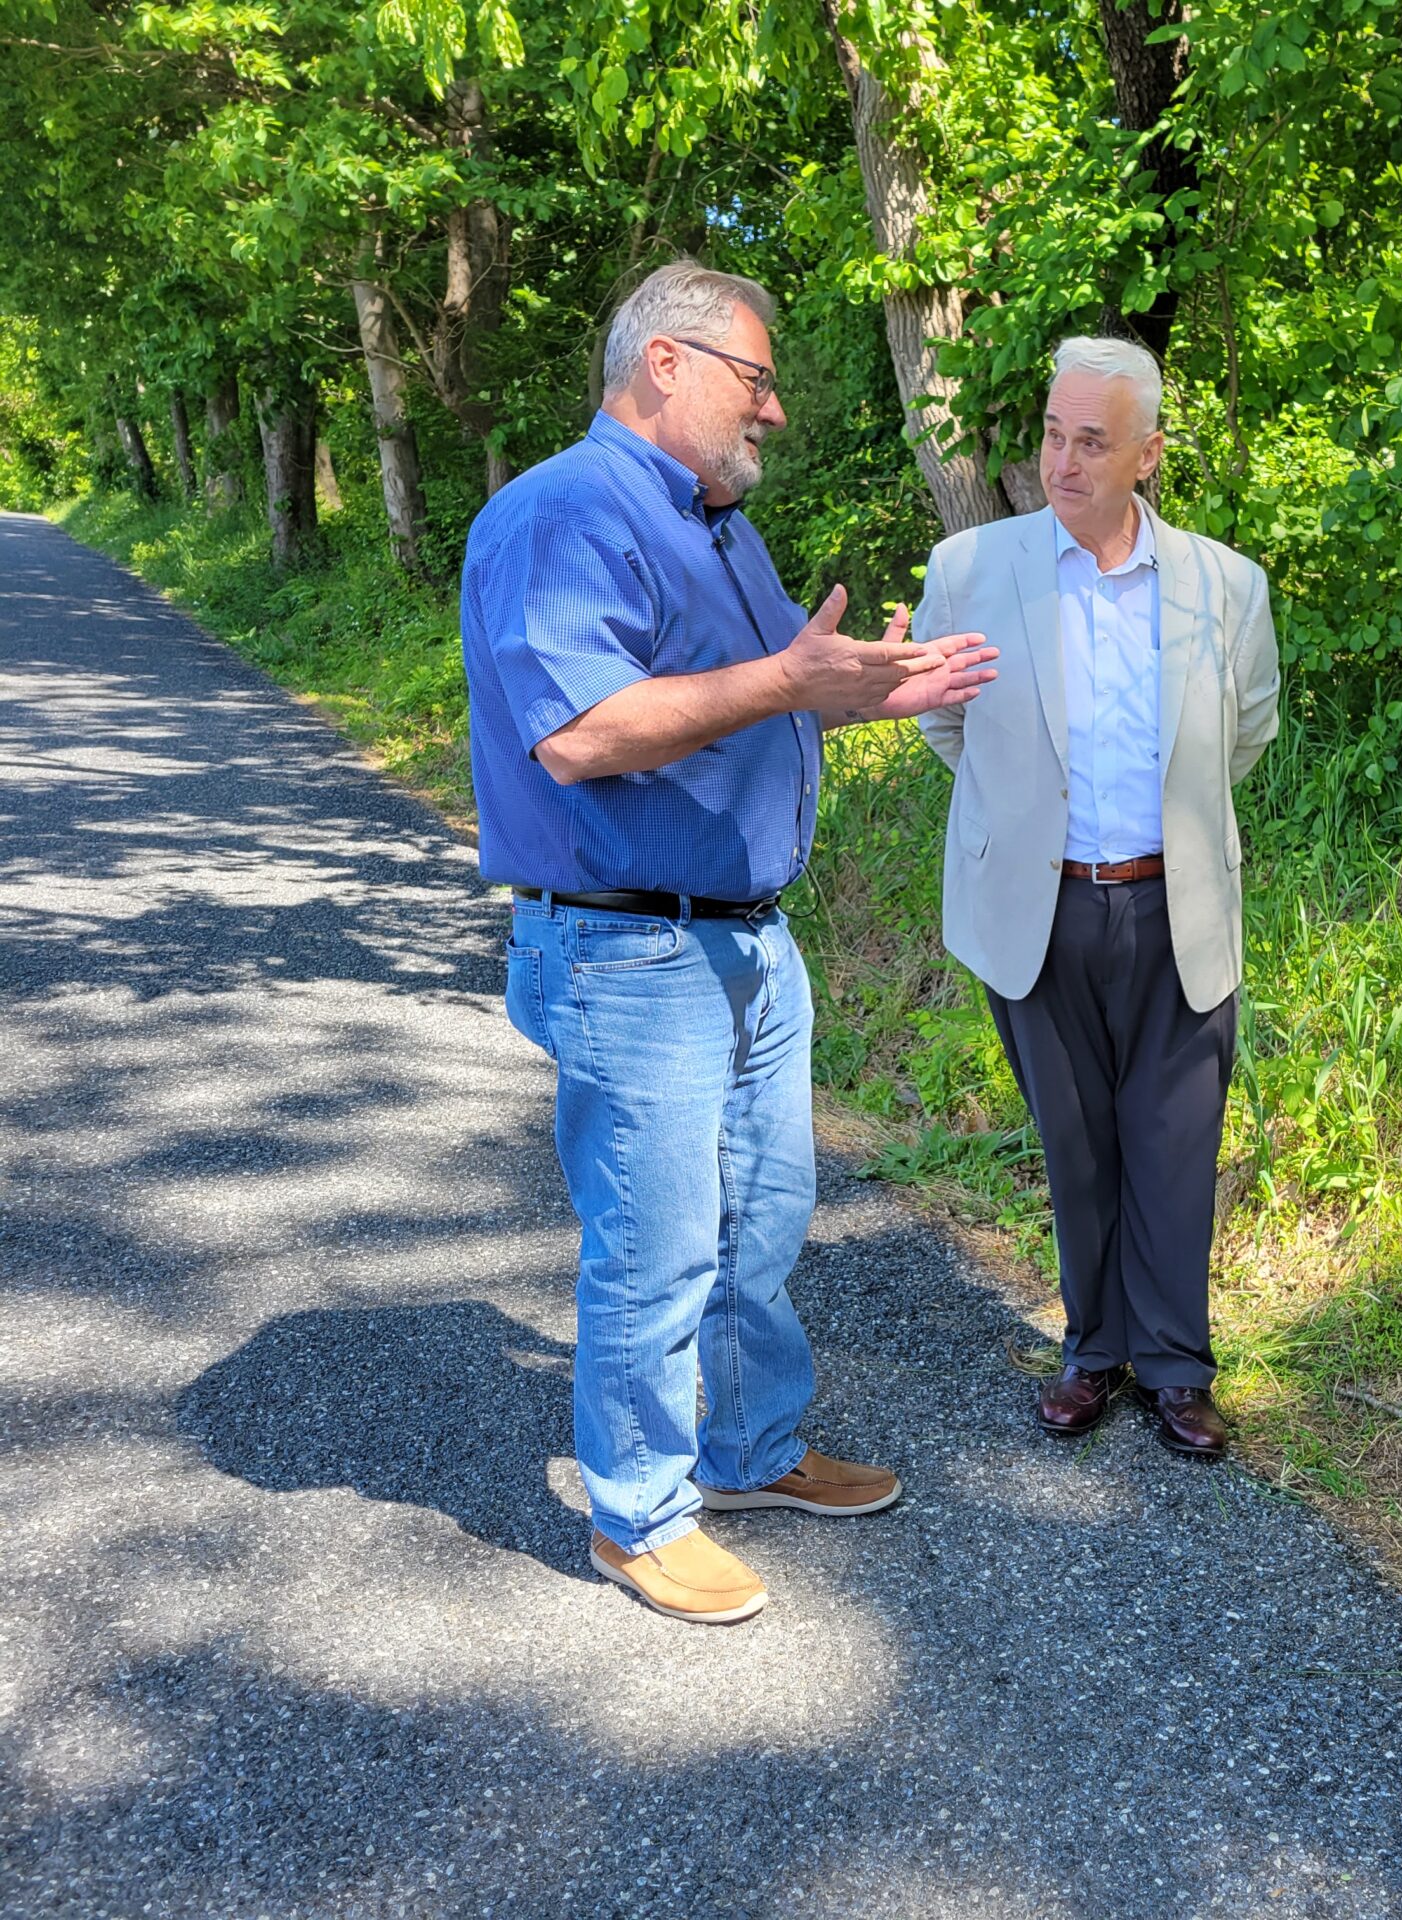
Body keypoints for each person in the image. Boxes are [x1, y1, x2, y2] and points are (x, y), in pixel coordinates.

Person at [461, 261, 996, 1624]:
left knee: (763, 1219)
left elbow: (771, 698)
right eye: (756, 380)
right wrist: (785, 679)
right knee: (655, 1244)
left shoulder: (716, 529)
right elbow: (580, 735)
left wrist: (884, 687)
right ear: (666, 366)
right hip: (630, 950)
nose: (772, 412)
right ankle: (637, 1517)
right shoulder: (565, 514)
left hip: (748, 943)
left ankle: (749, 1453)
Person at [916, 337, 1280, 1460]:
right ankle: (1093, 1349)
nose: (1062, 463)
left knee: (1174, 1141)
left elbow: (1247, 730)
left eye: (1091, 441)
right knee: (1075, 1144)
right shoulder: (971, 568)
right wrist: (1026, 823)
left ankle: (1176, 1367)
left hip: (1177, 904)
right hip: (1040, 906)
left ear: (1146, 456)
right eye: (1051, 435)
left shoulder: (1225, 584)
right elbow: (942, 718)